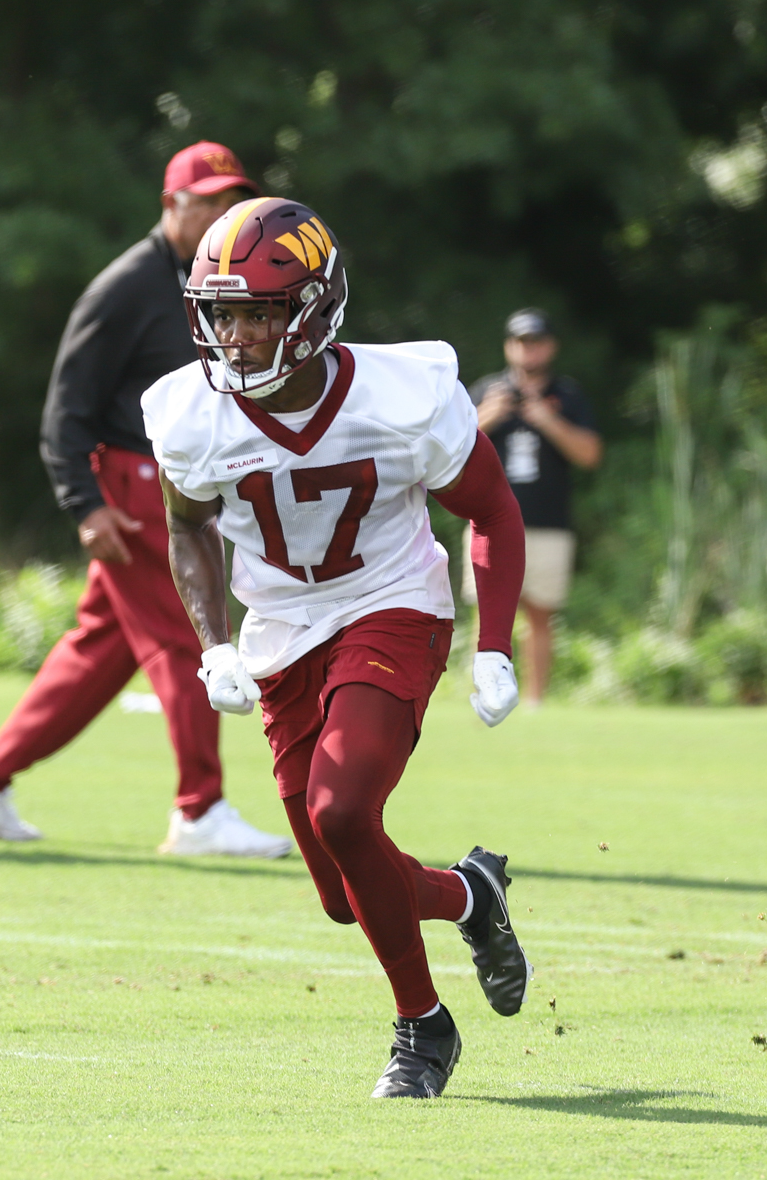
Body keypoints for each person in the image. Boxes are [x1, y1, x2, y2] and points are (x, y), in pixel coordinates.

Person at [141, 196, 531, 1099]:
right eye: (221, 313)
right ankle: (472, 893)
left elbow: (493, 509)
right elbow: (188, 528)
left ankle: (423, 1029)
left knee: (344, 811)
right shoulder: (192, 415)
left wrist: (494, 642)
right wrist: (214, 642)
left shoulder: (402, 396)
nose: (234, 336)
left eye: (258, 312)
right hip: (281, 629)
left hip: (391, 603)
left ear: (312, 310)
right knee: (341, 889)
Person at [0, 142, 292, 860]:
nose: (221, 213)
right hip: (134, 488)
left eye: (230, 200)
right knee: (191, 635)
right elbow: (66, 409)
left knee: (98, 653)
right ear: (172, 204)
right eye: (207, 200)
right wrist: (83, 504)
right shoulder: (124, 285)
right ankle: (200, 808)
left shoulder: (212, 280)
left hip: (170, 482)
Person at [466, 308, 602, 704]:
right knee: (487, 614)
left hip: (547, 523)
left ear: (551, 347)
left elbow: (590, 454)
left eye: (537, 342)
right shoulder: (487, 391)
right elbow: (447, 447)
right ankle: (487, 696)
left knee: (540, 614)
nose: (530, 352)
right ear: (510, 346)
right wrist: (487, 416)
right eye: (522, 342)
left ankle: (534, 701)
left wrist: (547, 420)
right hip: (486, 521)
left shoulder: (568, 395)